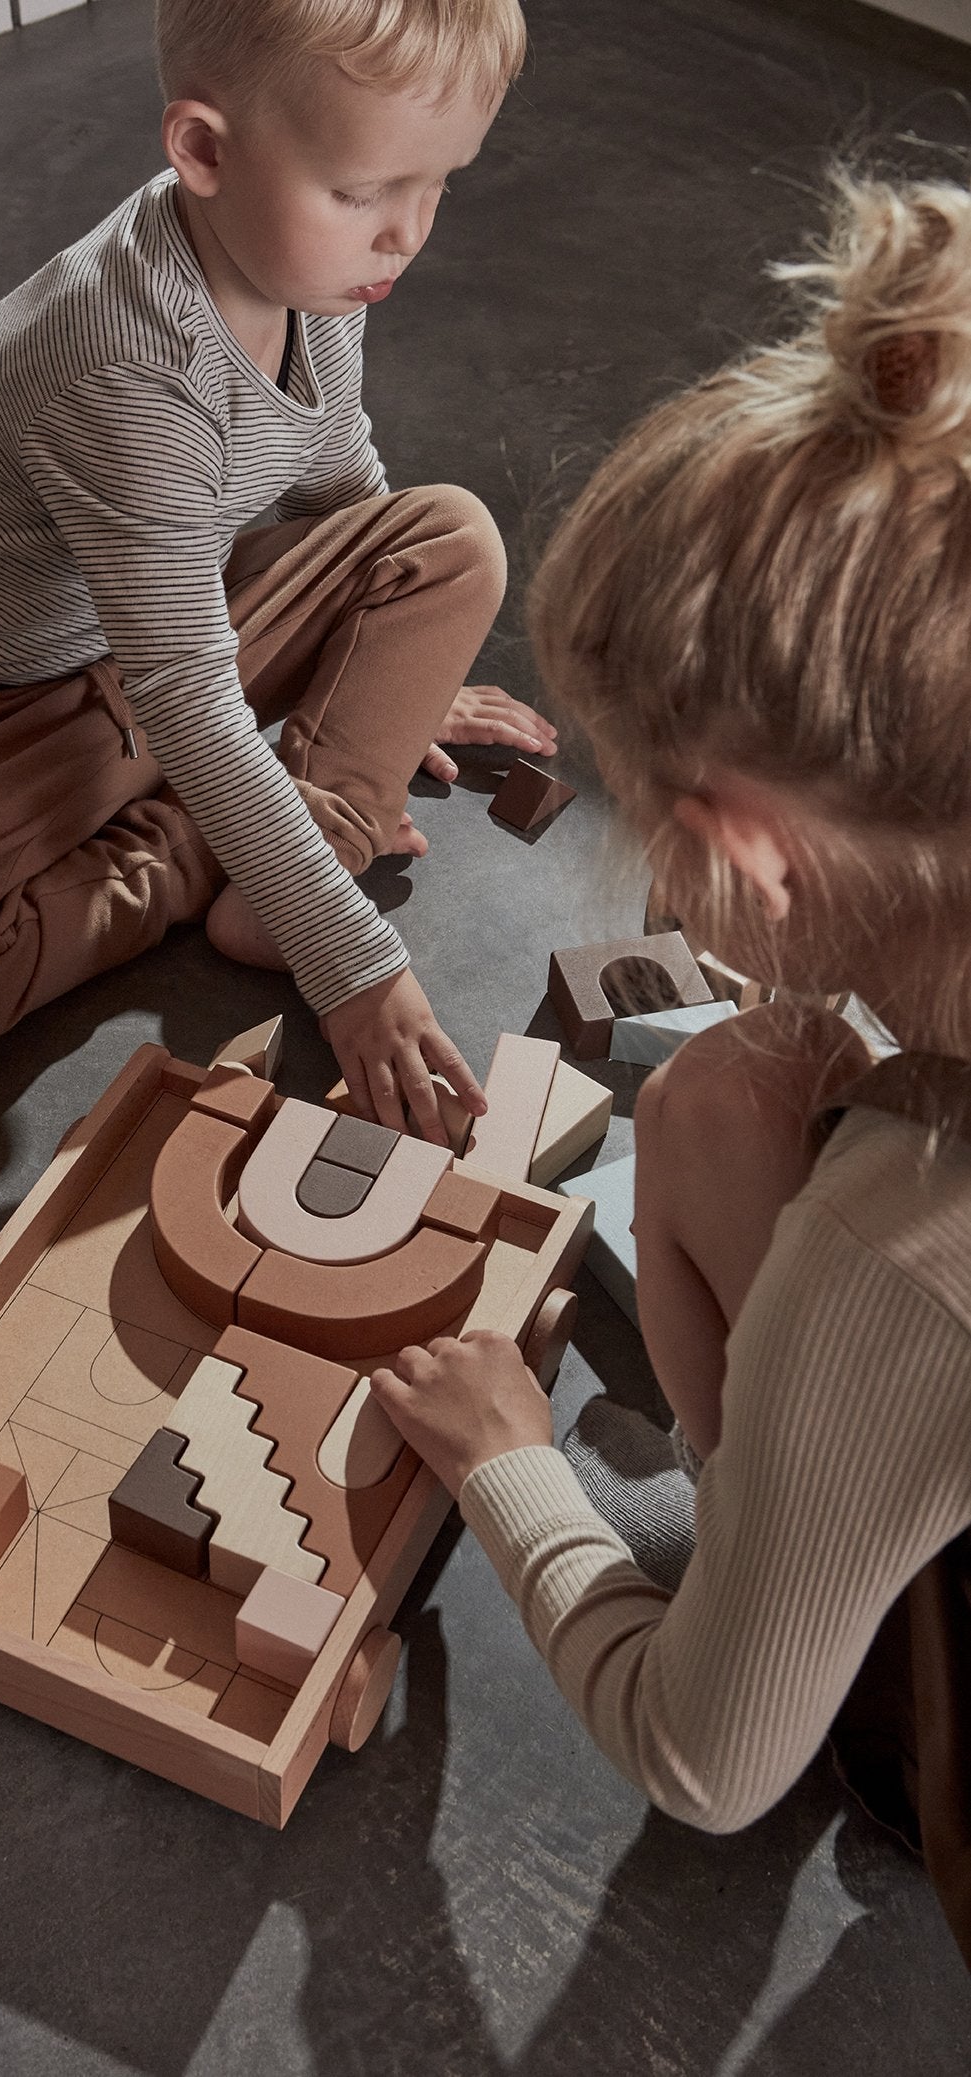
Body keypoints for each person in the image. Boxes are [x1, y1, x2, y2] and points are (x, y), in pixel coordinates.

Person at [371, 170, 971, 1954]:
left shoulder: (900, 1258)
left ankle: (791, 1570)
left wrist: (502, 1456)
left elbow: (705, 1765)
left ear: (741, 849)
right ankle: (787, 1531)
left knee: (741, 1689)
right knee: (721, 1084)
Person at [0, 0, 556, 1145]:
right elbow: (183, 697)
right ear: (203, 151)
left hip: (173, 622)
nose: (405, 233)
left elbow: (335, 472)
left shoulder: (315, 274)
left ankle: (281, 839)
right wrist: (350, 966)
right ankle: (228, 847)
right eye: (363, 192)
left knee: (450, 537)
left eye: (439, 184)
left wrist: (379, 670)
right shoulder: (120, 365)